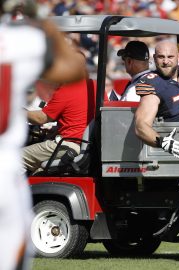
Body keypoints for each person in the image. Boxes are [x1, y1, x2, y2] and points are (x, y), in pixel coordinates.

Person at [0, 1, 85, 269]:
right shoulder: (88, 84)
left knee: (22, 159)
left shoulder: (66, 88)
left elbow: (40, 117)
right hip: (74, 140)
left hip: (65, 145)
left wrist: (20, 108)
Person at [22, 77, 88, 174]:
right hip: (83, 146)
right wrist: (55, 130)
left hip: (68, 145)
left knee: (11, 158)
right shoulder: (93, 86)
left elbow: (40, 118)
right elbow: (79, 119)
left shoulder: (67, 89)